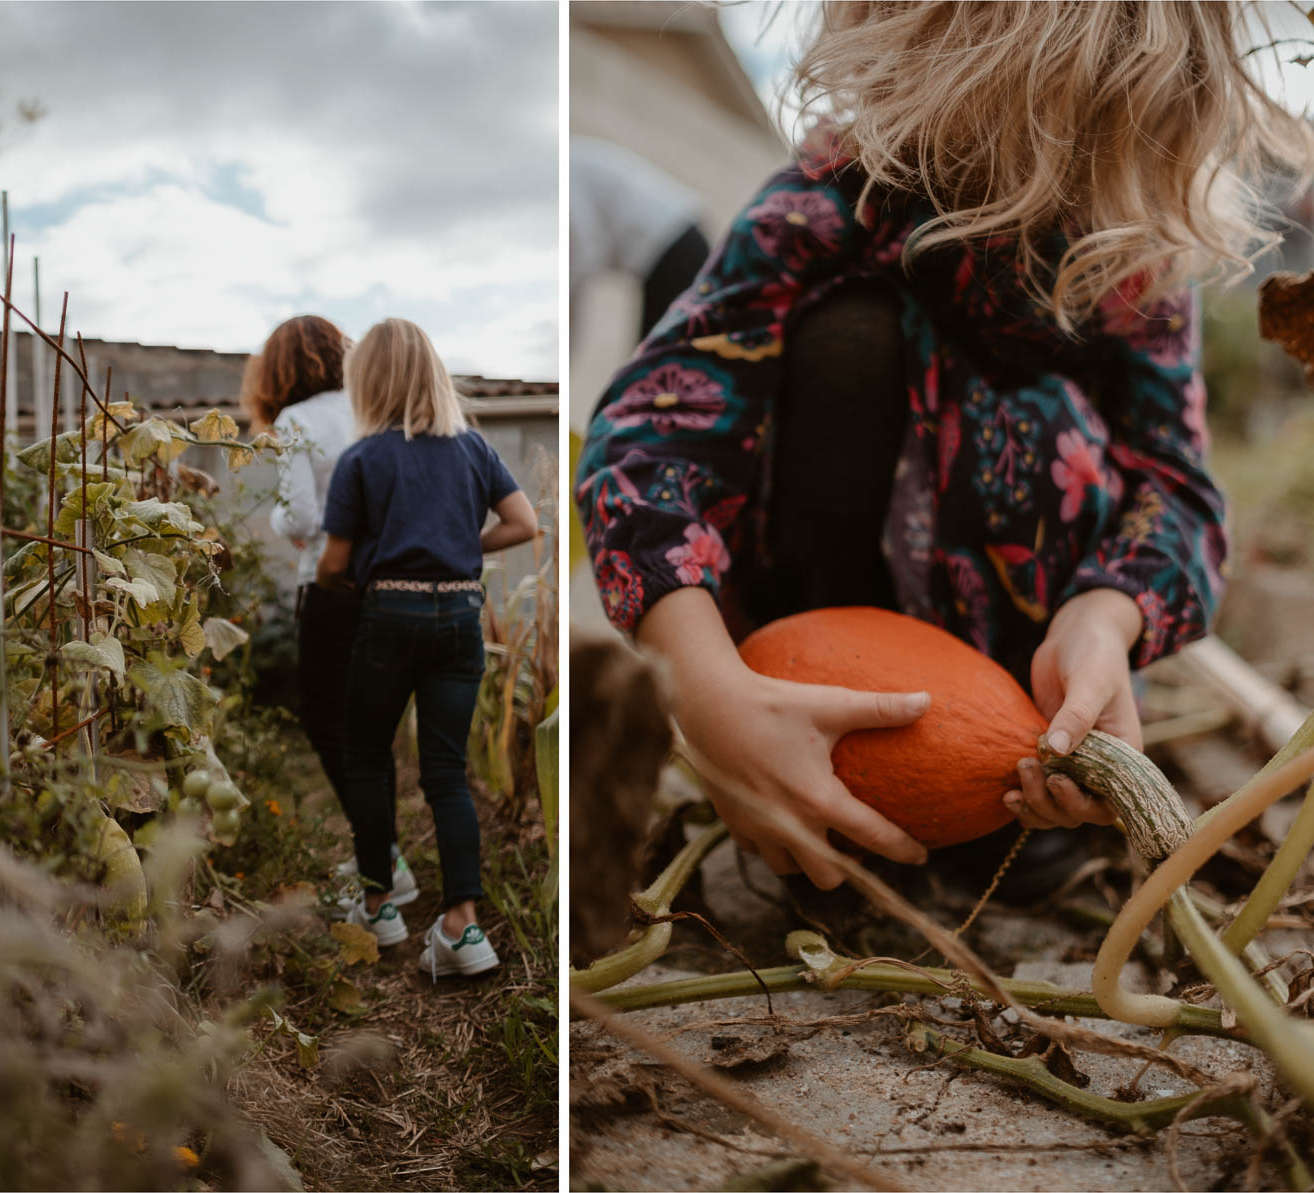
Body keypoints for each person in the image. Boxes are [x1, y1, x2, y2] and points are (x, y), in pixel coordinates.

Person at [576, 1, 1314, 892]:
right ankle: (809, 740)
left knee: (1042, 415)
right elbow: (654, 426)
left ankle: (1001, 787)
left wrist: (1106, 617)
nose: (1047, 201)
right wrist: (704, 688)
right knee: (845, 337)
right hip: (826, 607)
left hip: (1017, 673)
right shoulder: (833, 194)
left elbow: (1178, 488)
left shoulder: (1138, 253)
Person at [316, 318, 539, 979]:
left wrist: (355, 571)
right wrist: (463, 550)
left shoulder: (362, 459)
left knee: (366, 756)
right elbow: (525, 523)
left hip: (389, 613)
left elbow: (332, 562)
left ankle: (381, 906)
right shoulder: (471, 448)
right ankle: (463, 927)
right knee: (446, 773)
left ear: (368, 382)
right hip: (459, 618)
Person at [243, 315, 414, 906]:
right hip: (388, 581)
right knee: (369, 727)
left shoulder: (297, 421)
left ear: (278, 369)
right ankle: (384, 857)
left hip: (328, 584)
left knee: (326, 723)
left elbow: (301, 518)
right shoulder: (373, 408)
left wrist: (274, 522)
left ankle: (383, 863)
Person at [571, 136, 712, 342]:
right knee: (653, 359)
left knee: (649, 363)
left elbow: (584, 253)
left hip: (676, 245)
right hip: (683, 236)